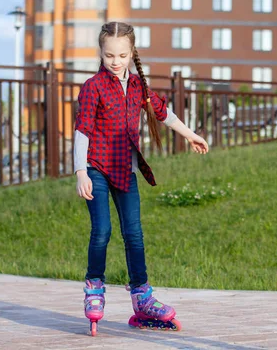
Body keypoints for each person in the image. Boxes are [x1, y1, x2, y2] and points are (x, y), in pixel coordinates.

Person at [73, 21, 209, 333]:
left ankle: (142, 297)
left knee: (134, 234)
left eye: (121, 55)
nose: (115, 61)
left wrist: (191, 135)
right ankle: (94, 288)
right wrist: (81, 171)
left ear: (132, 52)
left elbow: (165, 114)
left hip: (126, 169)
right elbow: (82, 130)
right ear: (102, 53)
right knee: (102, 231)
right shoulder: (94, 87)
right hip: (96, 167)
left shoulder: (138, 87)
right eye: (109, 55)